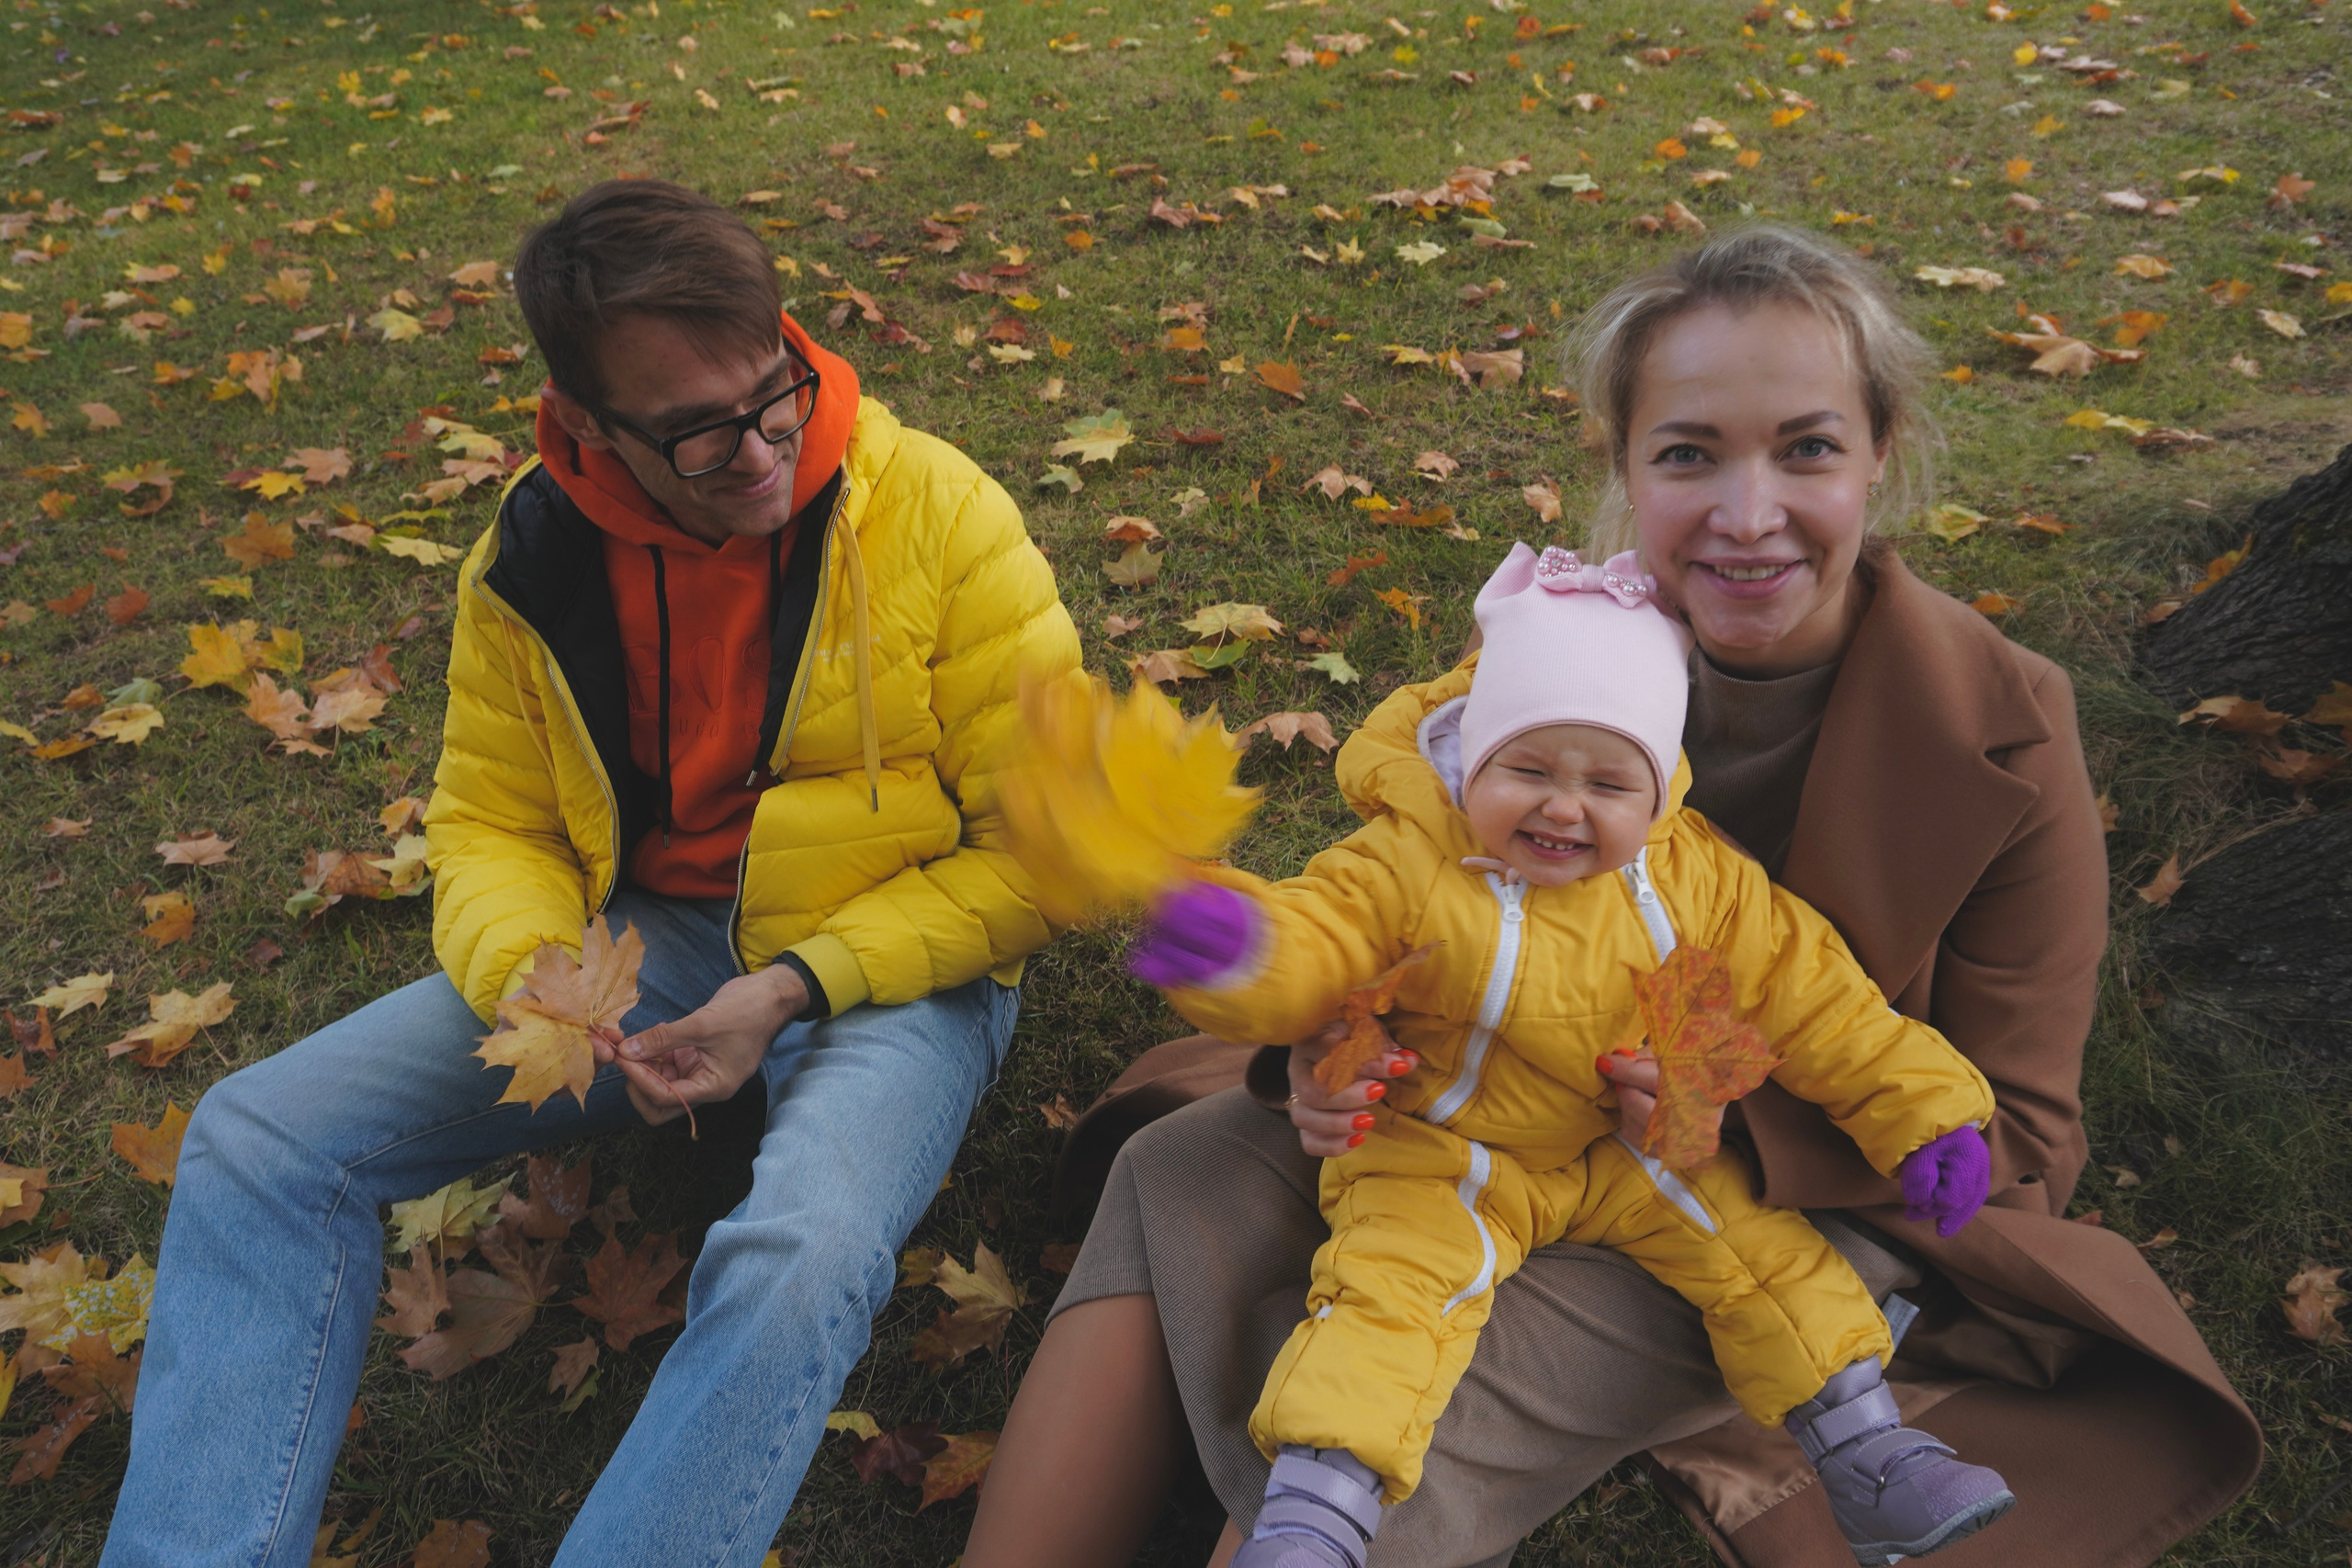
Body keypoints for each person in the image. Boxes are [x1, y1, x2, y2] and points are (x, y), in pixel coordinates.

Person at [966, 226, 2259, 1568]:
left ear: (1881, 450)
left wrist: (1721, 1093)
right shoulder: (1549, 659)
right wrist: (1331, 1040)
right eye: (1690, 452)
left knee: (1401, 1407)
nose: (1747, 514)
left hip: (1768, 1202)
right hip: (1470, 1117)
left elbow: (2027, 1133)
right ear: (1626, 465)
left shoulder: (2011, 721)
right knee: (1176, 1163)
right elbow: (1412, 909)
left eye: (1806, 447)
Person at [102, 179, 1080, 1568]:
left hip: (897, 957)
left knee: (801, 1243)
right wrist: (537, 971)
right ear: (591, 424)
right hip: (652, 938)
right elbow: (492, 820)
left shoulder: (939, 512)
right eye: (693, 429)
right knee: (259, 1138)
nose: (756, 449)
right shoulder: (534, 554)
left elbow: (1050, 862)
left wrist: (798, 984)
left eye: (772, 392)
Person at [1114, 538, 2012, 1568]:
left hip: (1625, 1145)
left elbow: (1818, 1002)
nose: (1561, 805)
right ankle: (1316, 1518)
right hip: (1444, 1147)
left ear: (1657, 793)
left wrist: (1926, 1117)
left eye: (1606, 783)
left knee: (1760, 1257)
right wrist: (1240, 949)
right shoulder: (1417, 859)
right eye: (1527, 768)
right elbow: (1320, 937)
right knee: (1387, 1295)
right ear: (1473, 763)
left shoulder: (1699, 880)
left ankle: (1870, 1454)